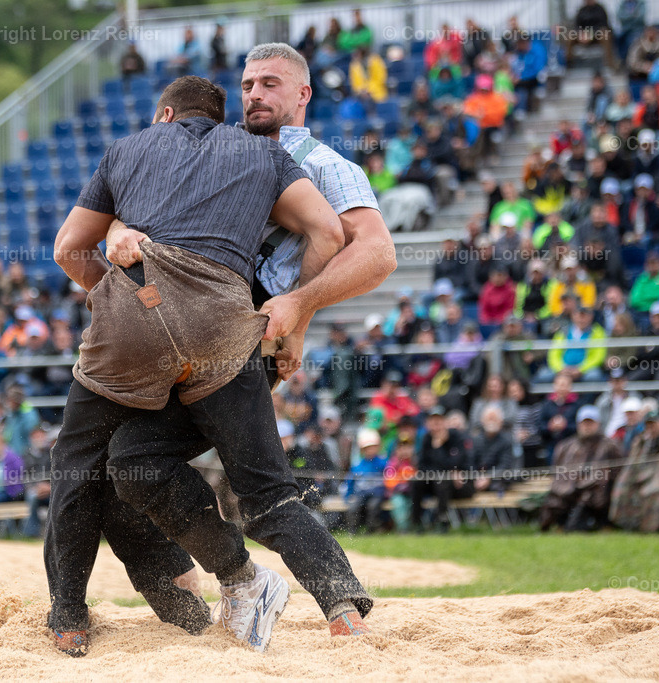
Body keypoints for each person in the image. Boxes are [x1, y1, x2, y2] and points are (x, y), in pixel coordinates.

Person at [47, 58, 392, 654]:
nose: (255, 94)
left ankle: (227, 588)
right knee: (132, 463)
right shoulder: (239, 149)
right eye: (247, 85)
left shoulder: (323, 164)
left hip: (247, 334)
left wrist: (298, 311)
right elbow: (143, 207)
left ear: (304, 93)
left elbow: (376, 253)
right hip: (222, 330)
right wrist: (120, 233)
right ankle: (203, 602)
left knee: (131, 467)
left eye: (270, 84)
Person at [539, 405, 622, 531]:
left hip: (596, 491)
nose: (587, 426)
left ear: (598, 424)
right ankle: (556, 524)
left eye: (591, 423)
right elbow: (558, 472)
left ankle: (603, 524)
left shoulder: (609, 446)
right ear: (578, 424)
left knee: (592, 495)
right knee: (555, 498)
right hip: (569, 489)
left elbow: (616, 472)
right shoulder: (565, 446)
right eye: (584, 423)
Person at [610, 412, 659, 532]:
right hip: (644, 478)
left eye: (653, 424)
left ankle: (651, 529)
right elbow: (633, 465)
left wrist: (652, 483)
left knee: (655, 495)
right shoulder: (642, 442)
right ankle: (626, 525)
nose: (650, 428)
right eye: (648, 425)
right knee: (623, 488)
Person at [409, 406, 473, 533]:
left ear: (445, 422)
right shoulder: (427, 439)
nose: (436, 426)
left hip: (460, 485)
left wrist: (438, 448)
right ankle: (416, 522)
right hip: (435, 482)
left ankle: (441, 521)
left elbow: (457, 462)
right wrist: (444, 469)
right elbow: (422, 466)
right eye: (433, 422)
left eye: (439, 421)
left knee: (442, 481)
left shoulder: (457, 437)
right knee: (416, 481)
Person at [344, 427, 388, 533]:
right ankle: (352, 531)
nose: (370, 450)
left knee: (373, 506)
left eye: (373, 447)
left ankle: (370, 530)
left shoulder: (384, 463)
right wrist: (348, 495)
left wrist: (388, 493)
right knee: (354, 507)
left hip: (377, 493)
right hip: (361, 493)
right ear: (362, 450)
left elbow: (389, 479)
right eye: (367, 448)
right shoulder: (357, 465)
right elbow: (350, 481)